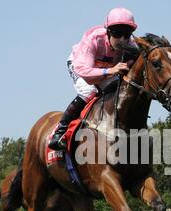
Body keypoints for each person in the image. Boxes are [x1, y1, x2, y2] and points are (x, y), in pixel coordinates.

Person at [48, 7, 138, 150]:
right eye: (117, 33)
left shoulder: (131, 46)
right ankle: (60, 132)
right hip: (80, 66)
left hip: (105, 69)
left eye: (126, 35)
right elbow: (86, 73)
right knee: (89, 91)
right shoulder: (93, 39)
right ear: (108, 31)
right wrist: (111, 70)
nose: (122, 39)